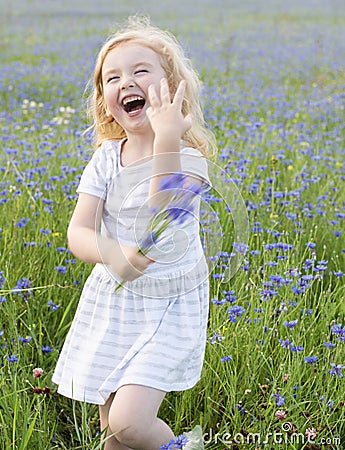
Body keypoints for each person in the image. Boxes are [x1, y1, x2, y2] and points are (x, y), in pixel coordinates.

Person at [52, 15, 216, 450]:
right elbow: (78, 231)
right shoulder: (106, 159)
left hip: (168, 304)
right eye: (113, 77)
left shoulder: (188, 160)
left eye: (141, 71)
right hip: (116, 300)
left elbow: (164, 214)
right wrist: (116, 252)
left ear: (173, 88)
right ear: (105, 101)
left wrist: (165, 139)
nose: (127, 81)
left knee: (129, 422)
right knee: (114, 432)